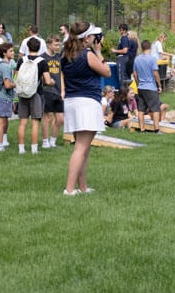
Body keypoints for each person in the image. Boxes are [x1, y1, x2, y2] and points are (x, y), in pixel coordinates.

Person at [61, 21, 111, 195]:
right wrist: (98, 52)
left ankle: (82, 186)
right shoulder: (88, 54)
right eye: (92, 36)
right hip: (87, 102)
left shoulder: (66, 54)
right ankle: (69, 189)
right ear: (87, 38)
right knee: (81, 148)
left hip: (72, 101)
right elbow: (106, 71)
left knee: (83, 147)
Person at [14, 38, 46, 154]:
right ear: (39, 47)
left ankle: (21, 149)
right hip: (36, 93)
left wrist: (15, 97)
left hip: (22, 93)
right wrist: (51, 82)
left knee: (23, 122)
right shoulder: (42, 61)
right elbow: (47, 80)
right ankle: (34, 148)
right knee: (35, 122)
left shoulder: (21, 60)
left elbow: (16, 78)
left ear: (27, 47)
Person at [40, 35, 65, 148]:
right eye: (55, 44)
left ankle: (53, 141)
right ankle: (45, 142)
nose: (57, 46)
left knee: (60, 119)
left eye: (58, 44)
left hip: (58, 91)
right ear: (49, 44)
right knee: (48, 116)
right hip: (47, 90)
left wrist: (63, 90)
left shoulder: (59, 57)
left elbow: (61, 74)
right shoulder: (43, 58)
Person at [133, 40, 163, 132]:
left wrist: (138, 84)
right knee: (155, 109)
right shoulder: (152, 59)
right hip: (150, 87)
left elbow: (134, 74)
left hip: (141, 87)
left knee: (141, 109)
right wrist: (159, 85)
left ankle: (142, 129)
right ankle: (157, 129)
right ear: (150, 47)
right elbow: (155, 73)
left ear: (142, 48)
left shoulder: (137, 59)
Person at [0, 42, 16, 150]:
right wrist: (17, 83)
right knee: (1, 121)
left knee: (4, 120)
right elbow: (7, 85)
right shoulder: (5, 66)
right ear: (4, 53)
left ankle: (3, 142)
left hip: (3, 97)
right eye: (11, 51)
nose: (13, 53)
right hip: (3, 97)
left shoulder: (3, 64)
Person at [111, 23, 138, 90]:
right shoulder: (126, 39)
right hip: (126, 59)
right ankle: (128, 91)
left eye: (120, 30)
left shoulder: (124, 38)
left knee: (121, 77)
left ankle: (123, 92)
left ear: (123, 30)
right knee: (125, 76)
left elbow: (125, 50)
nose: (119, 31)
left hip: (122, 58)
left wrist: (115, 51)